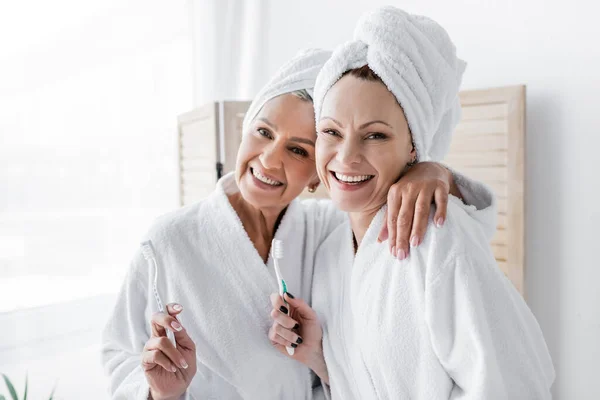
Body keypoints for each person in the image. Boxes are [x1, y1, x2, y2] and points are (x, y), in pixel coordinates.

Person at [102, 48, 493, 399]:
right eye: (263, 132)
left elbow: (356, 360)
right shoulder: (169, 241)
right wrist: (161, 394)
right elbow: (120, 354)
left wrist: (432, 170)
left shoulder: (331, 232)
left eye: (297, 149)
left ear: (317, 172)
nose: (270, 160)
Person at [268, 6, 555, 399]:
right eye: (331, 131)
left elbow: (518, 386)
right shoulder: (332, 251)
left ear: (414, 147)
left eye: (375, 136)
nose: (346, 156)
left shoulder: (438, 238)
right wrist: (319, 357)